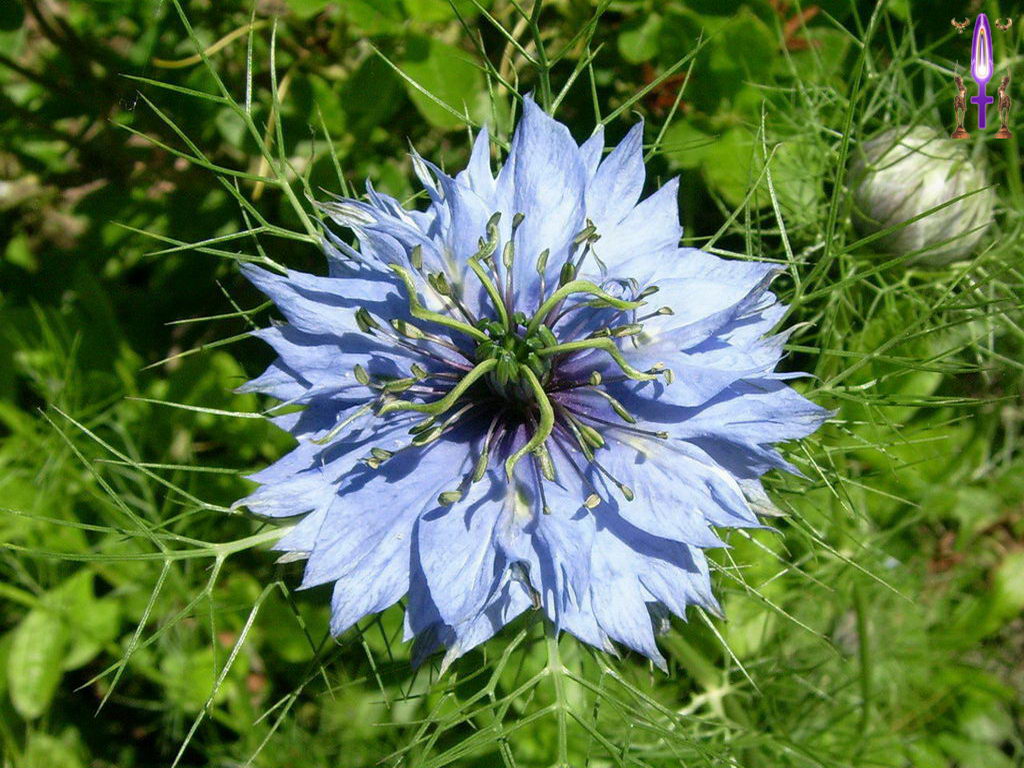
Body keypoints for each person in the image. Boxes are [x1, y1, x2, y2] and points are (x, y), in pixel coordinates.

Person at [952, 74, 970, 139]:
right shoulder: (958, 87)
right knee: (957, 113)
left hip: (962, 101)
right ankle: (959, 125)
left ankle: (960, 125)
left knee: (962, 113)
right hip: (959, 100)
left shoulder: (963, 88)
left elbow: (964, 93)